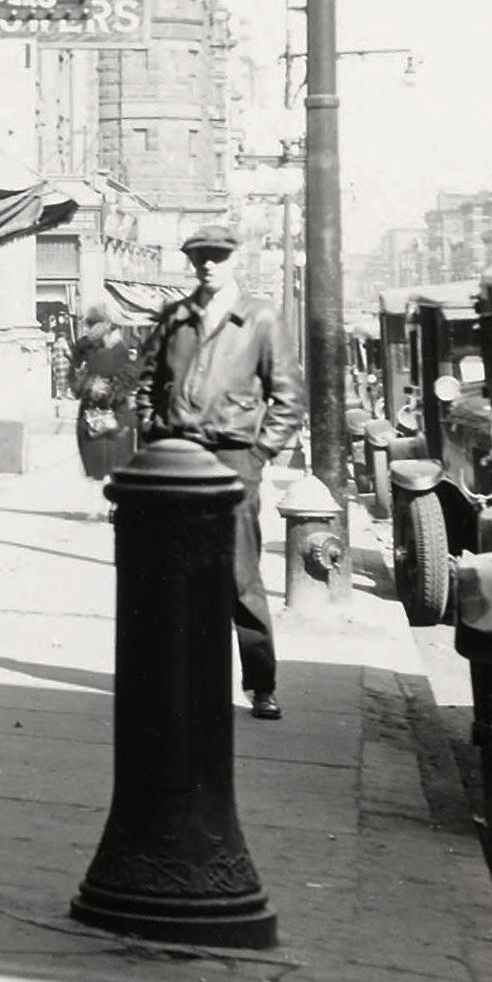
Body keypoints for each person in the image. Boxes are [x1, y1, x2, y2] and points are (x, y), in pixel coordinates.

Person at [136, 221, 305, 718]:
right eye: (198, 257)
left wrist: (257, 455)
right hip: (177, 458)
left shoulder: (261, 318)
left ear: (235, 260)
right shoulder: (175, 318)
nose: (207, 264)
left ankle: (261, 683)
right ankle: (183, 680)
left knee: (239, 574)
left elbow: (289, 399)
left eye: (216, 255)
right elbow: (147, 382)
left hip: (234, 459)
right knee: (175, 574)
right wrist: (153, 431)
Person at [71, 309, 141, 483]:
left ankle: (110, 503)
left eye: (98, 325)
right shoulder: (83, 348)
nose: (93, 330)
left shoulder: (121, 348)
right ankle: (98, 504)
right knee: (94, 464)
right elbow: (73, 378)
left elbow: (131, 377)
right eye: (91, 326)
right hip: (90, 416)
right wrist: (88, 385)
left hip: (116, 414)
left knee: (115, 464)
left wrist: (110, 388)